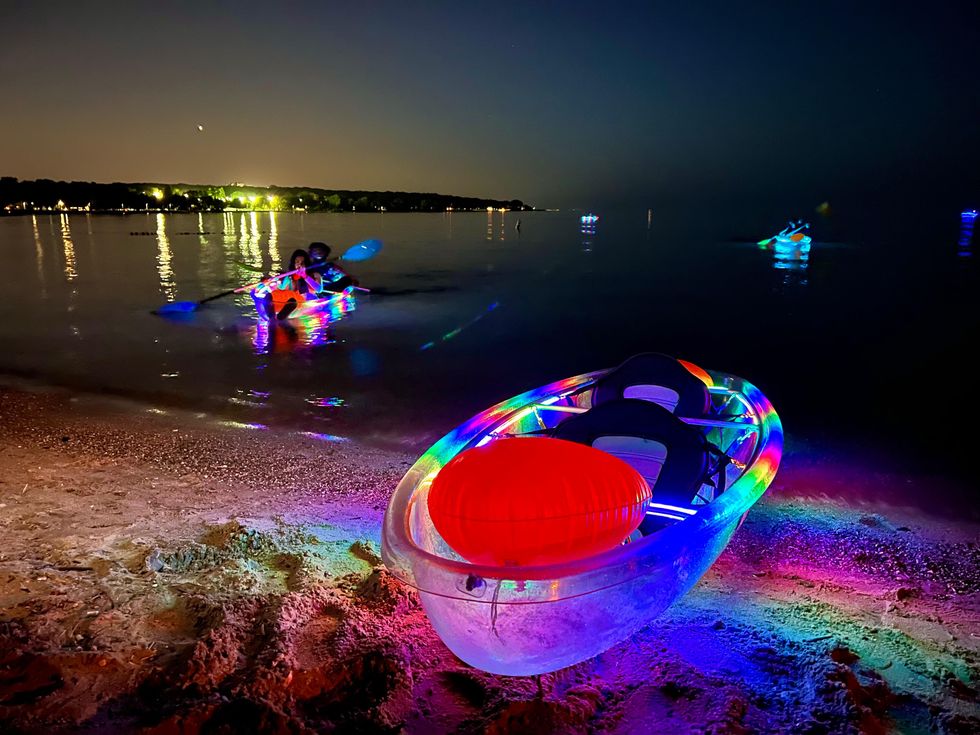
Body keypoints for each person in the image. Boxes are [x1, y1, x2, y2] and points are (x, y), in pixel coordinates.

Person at [252, 249, 320, 320]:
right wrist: (269, 283)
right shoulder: (289, 276)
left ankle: (279, 318)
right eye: (297, 262)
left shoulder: (315, 275)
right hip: (290, 302)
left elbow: (319, 290)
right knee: (269, 296)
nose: (299, 265)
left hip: (303, 304)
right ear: (293, 263)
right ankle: (272, 318)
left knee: (292, 302)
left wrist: (305, 276)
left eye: (302, 263)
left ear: (307, 264)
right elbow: (281, 289)